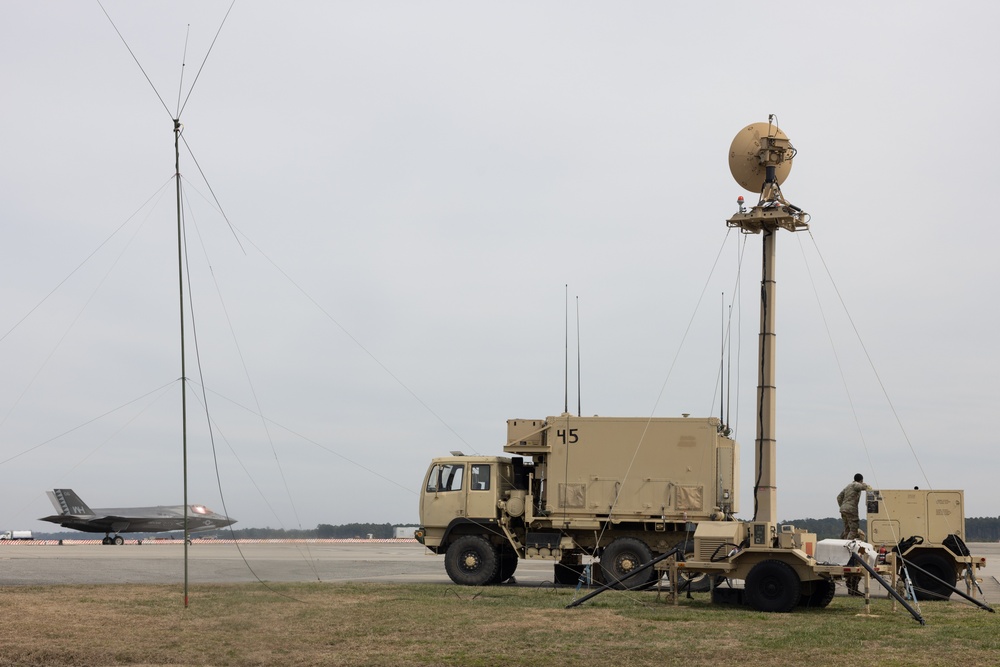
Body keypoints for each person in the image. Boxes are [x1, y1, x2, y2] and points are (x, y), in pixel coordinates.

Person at [837, 473, 872, 540]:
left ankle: (844, 543)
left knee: (847, 529)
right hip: (851, 510)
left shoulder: (848, 486)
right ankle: (848, 545)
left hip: (843, 509)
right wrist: (867, 486)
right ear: (861, 480)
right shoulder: (856, 484)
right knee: (854, 530)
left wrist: (843, 506)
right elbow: (863, 487)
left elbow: (839, 497)